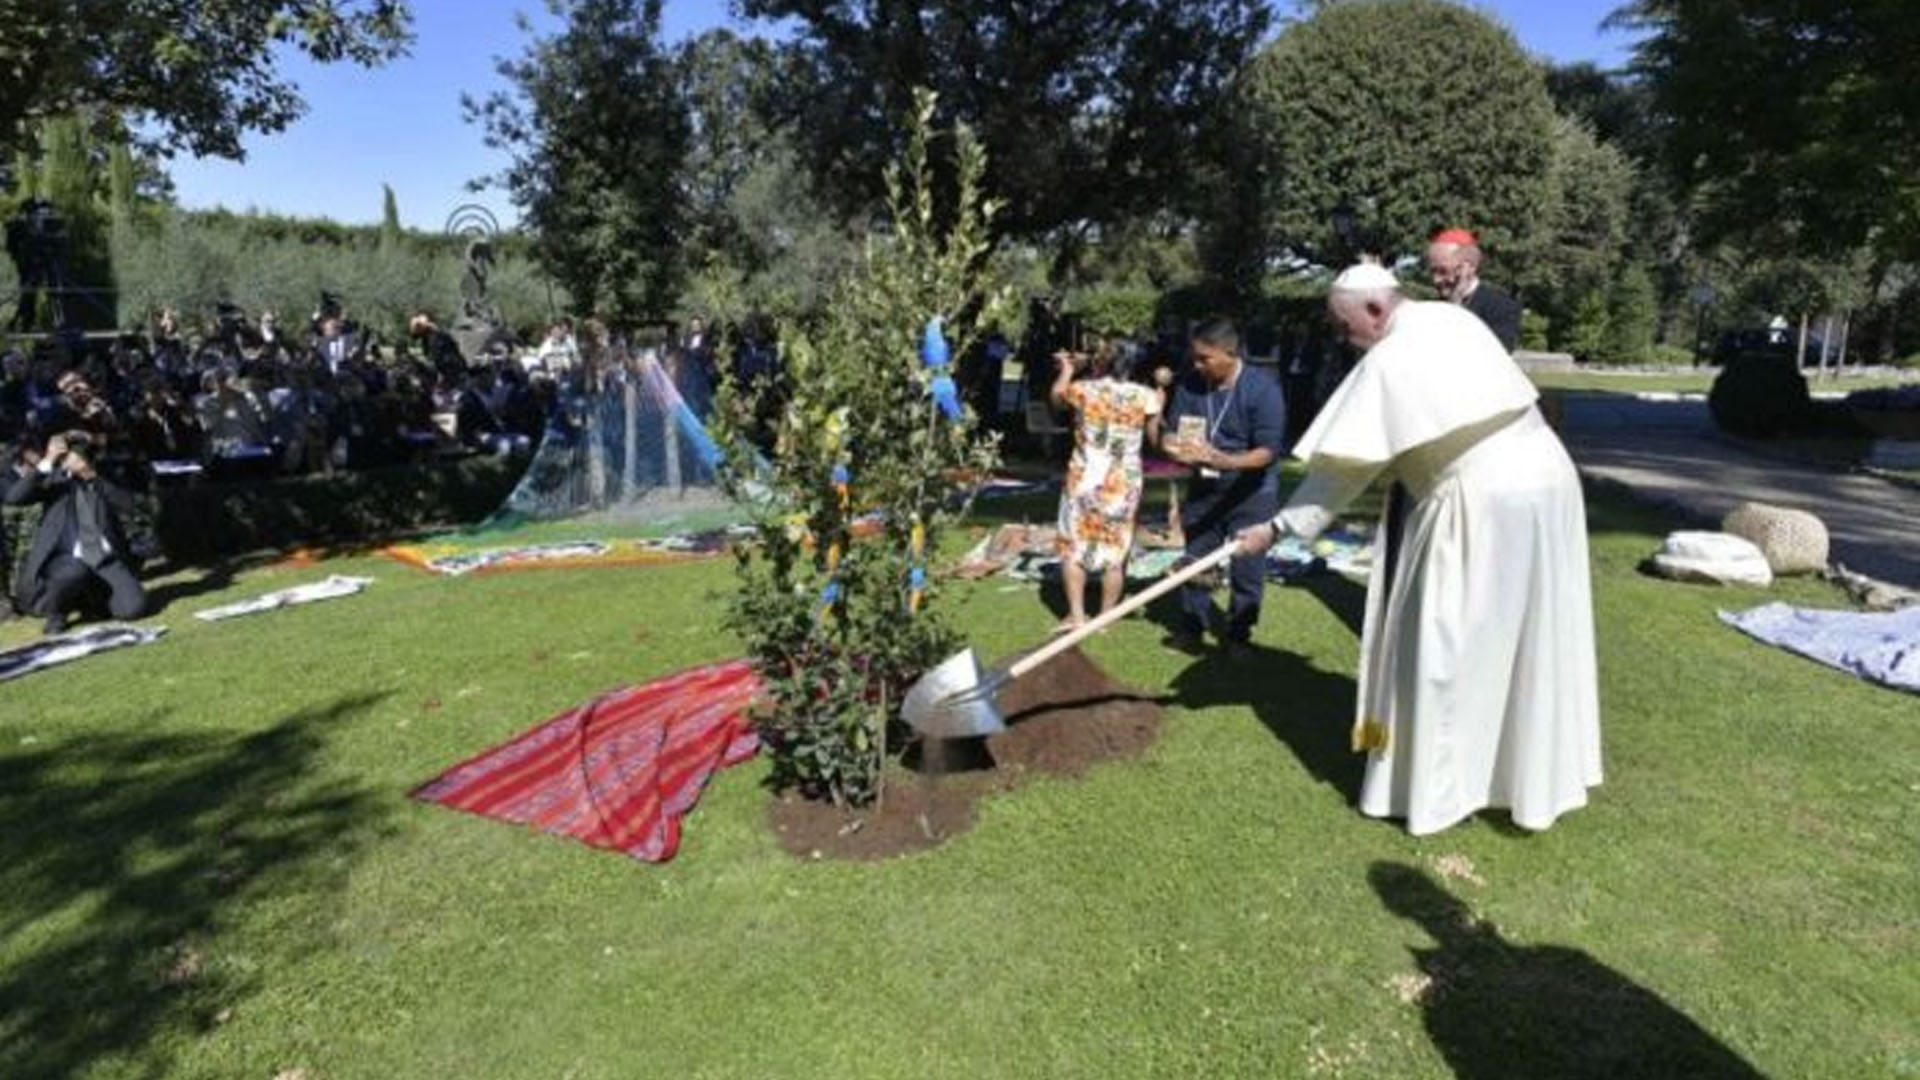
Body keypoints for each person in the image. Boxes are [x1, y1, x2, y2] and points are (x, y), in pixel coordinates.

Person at [1238, 264, 1601, 835]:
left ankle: (1443, 792)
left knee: (1443, 645)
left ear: (1377, 310)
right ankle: (1518, 783)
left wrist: (1277, 529)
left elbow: (1343, 471)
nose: (1343, 337)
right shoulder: (1453, 320)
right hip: (1549, 482)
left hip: (1480, 502)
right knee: (1527, 635)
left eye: (1344, 324)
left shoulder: (1390, 358)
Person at [1158, 319, 1287, 657]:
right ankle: (1192, 629)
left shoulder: (1262, 390)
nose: (1198, 365)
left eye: (1206, 358)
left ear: (1231, 353)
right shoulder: (1191, 385)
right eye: (1195, 358)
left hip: (1251, 492)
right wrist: (1173, 445)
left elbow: (1268, 451)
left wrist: (1225, 461)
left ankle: (1239, 635)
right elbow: (1173, 430)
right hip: (1204, 488)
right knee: (1195, 559)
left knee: (1248, 567)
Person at [1049, 338, 1162, 634]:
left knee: (1074, 547)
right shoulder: (1146, 395)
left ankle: (1077, 614)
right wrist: (1162, 394)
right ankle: (1105, 618)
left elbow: (1057, 397)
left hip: (1084, 477)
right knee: (1116, 551)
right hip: (1123, 481)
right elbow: (1154, 439)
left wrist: (1066, 368)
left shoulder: (1084, 389)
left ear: (1105, 362)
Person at [6, 432, 147, 634]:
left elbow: (130, 505)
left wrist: (91, 476)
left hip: (104, 560)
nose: (74, 460)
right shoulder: (54, 482)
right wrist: (48, 460)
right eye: (69, 456)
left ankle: (91, 603)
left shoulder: (103, 478)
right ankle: (57, 613)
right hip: (66, 559)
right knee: (73, 571)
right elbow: (14, 498)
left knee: (134, 609)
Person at [1426, 227, 1522, 353]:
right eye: (1433, 271)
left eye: (1443, 271)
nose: (1436, 280)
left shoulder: (1501, 306)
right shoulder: (1431, 309)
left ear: (1469, 267)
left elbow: (1497, 355)